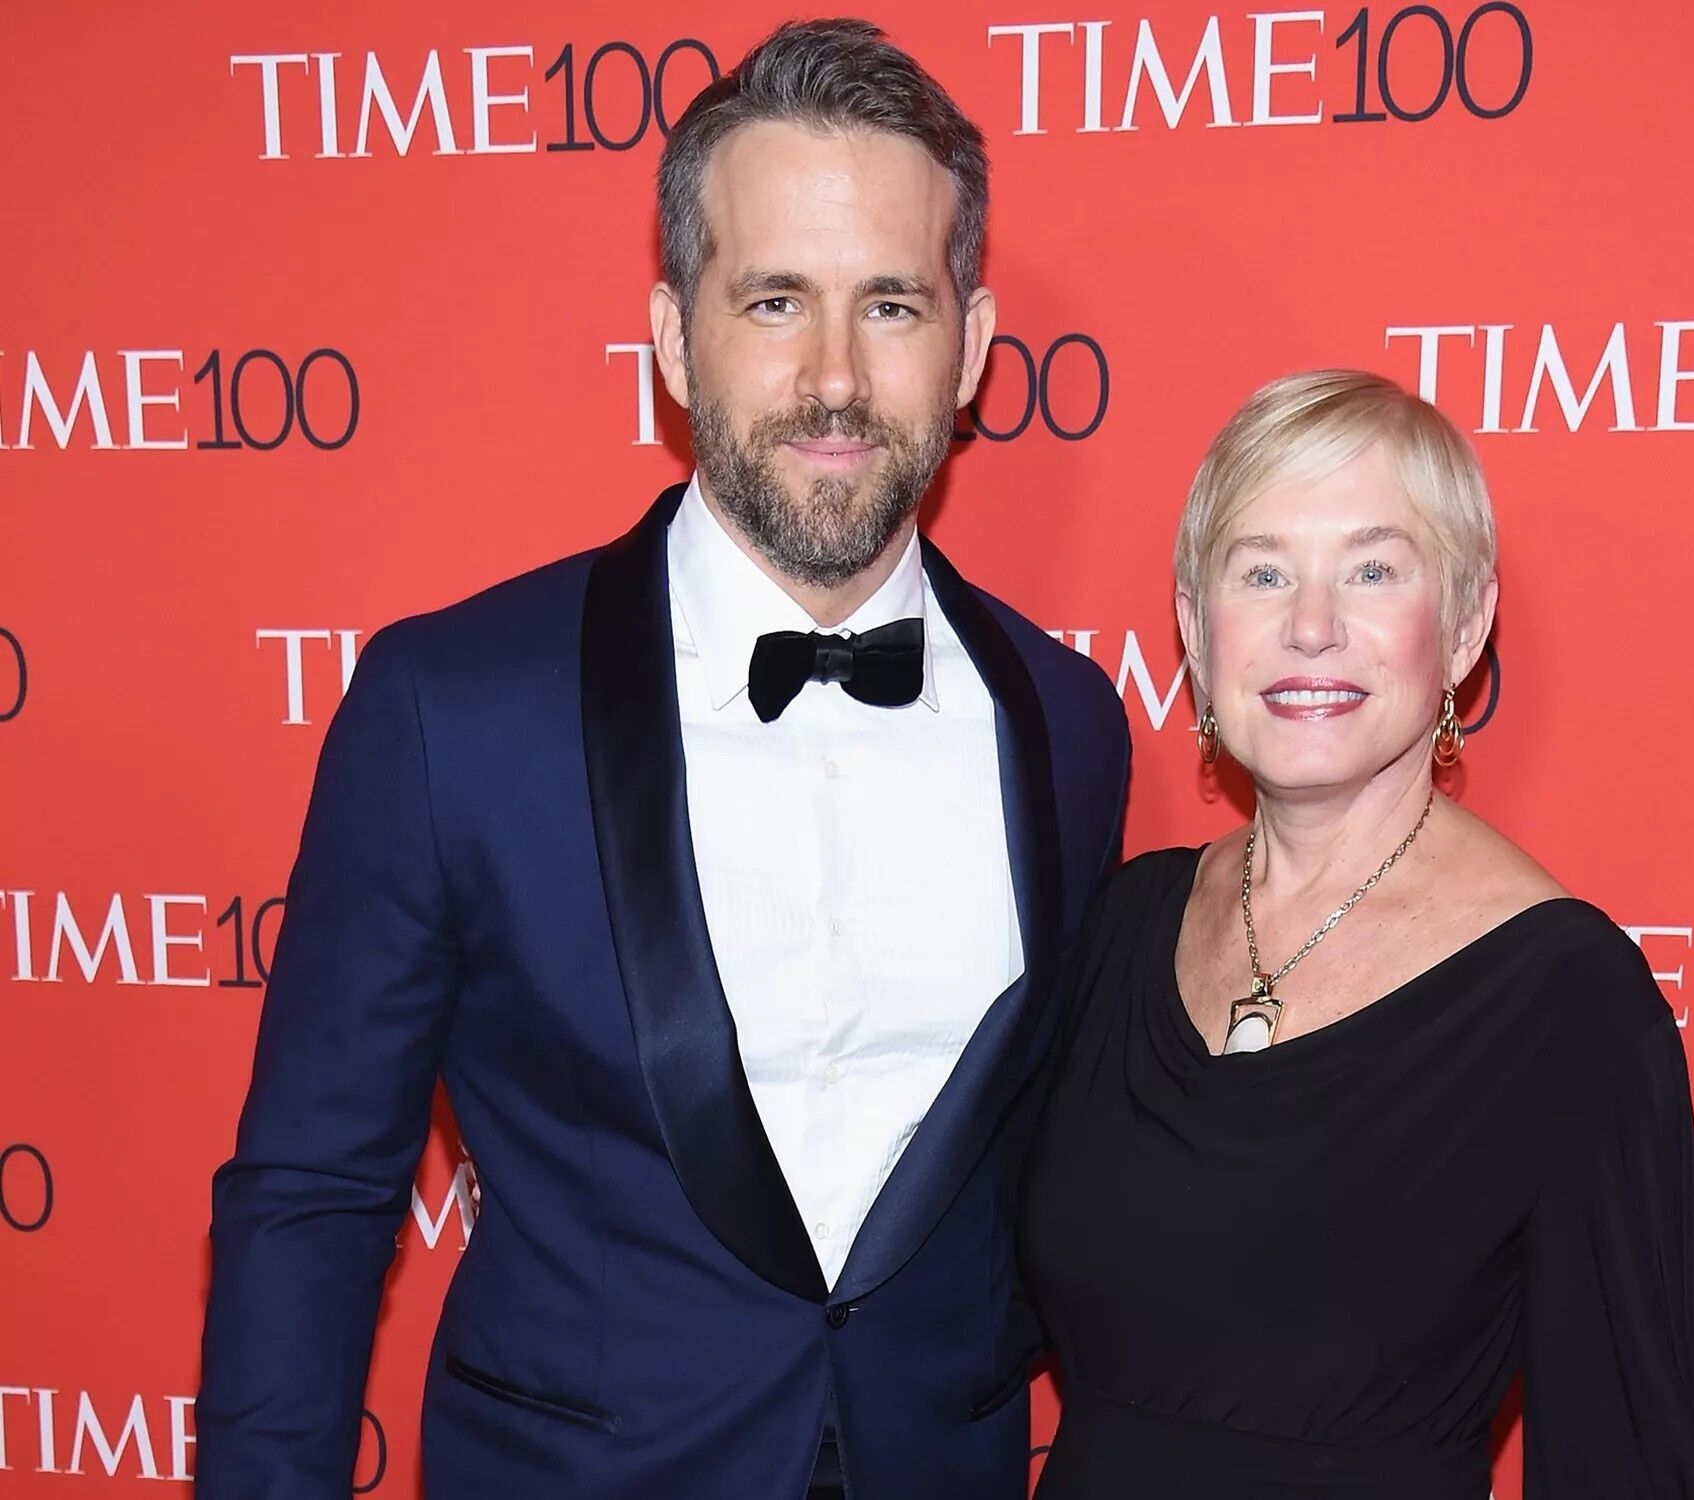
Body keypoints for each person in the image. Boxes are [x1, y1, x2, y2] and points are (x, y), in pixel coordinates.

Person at [195, 20, 1129, 1500]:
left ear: (975, 343)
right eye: (774, 300)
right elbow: (312, 1195)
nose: (833, 377)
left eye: (891, 303)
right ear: (674, 339)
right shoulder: (451, 707)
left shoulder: (1068, 723)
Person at [1020, 370, 1694, 1498]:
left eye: (1371, 570)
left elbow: (1622, 1460)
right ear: (1190, 625)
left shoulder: (1564, 1000)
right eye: (1260, 570)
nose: (1309, 625)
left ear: (1461, 627)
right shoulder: (1126, 923)